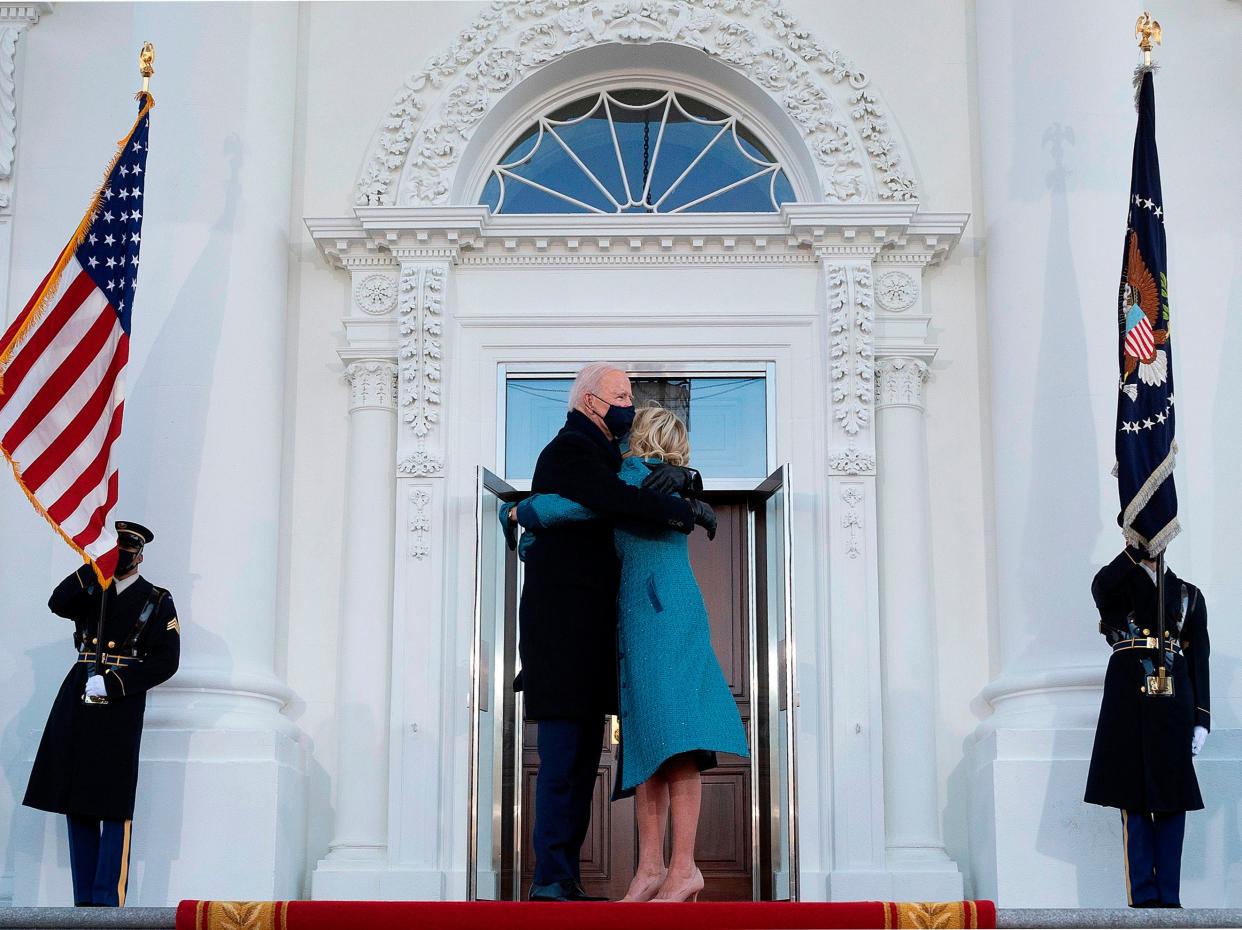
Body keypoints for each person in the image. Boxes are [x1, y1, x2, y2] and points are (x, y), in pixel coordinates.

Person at [506, 406, 747, 903]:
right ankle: (653, 869)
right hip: (643, 618)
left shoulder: (638, 478)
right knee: (646, 744)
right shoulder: (661, 482)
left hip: (660, 616)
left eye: (625, 428)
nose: (615, 431)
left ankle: (681, 868)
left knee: (675, 739)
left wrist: (522, 511)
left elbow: (578, 505)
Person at [23, 522, 181, 907]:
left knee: (112, 798)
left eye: (127, 550)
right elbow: (57, 603)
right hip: (79, 691)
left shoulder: (157, 600)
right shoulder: (93, 588)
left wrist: (116, 684)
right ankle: (83, 904)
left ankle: (107, 900)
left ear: (140, 555)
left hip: (118, 701)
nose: (122, 555)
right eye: (116, 548)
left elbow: (166, 660)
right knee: (74, 793)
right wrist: (91, 567)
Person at [1084, 545, 1209, 909]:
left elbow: (1199, 654)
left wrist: (1202, 718)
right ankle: (1143, 896)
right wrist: (1132, 554)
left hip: (1173, 700)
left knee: (1174, 800)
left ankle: (1169, 897)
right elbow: (1101, 588)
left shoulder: (1189, 594)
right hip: (1129, 699)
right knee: (1133, 800)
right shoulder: (1118, 586)